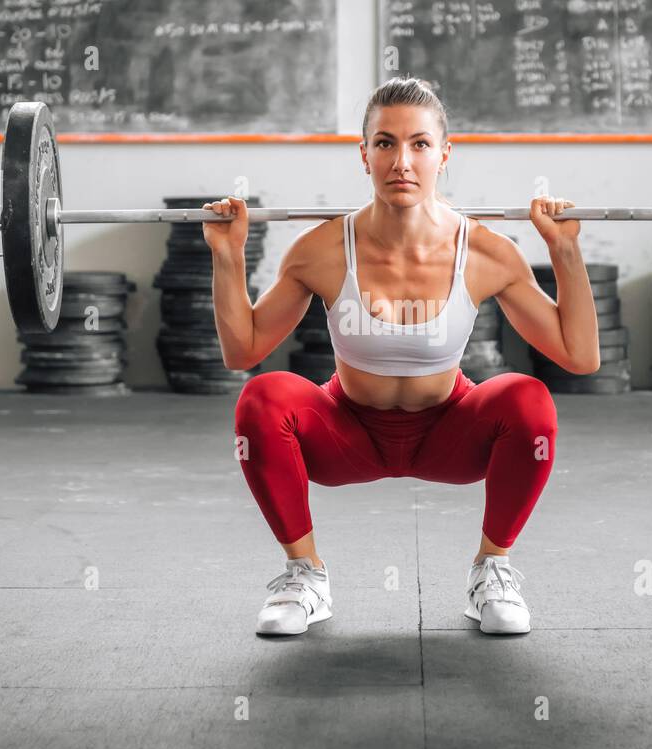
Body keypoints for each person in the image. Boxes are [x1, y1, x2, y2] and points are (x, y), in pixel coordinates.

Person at [202, 76, 601, 636]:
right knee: (264, 398)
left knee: (528, 400)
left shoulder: (486, 251)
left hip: (450, 437)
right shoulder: (319, 249)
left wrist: (565, 252)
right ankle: (305, 576)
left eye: (419, 144)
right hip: (345, 437)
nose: (402, 162)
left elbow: (580, 356)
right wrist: (228, 256)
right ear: (363, 156)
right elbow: (243, 350)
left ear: (444, 153)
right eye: (385, 143)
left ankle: (493, 570)